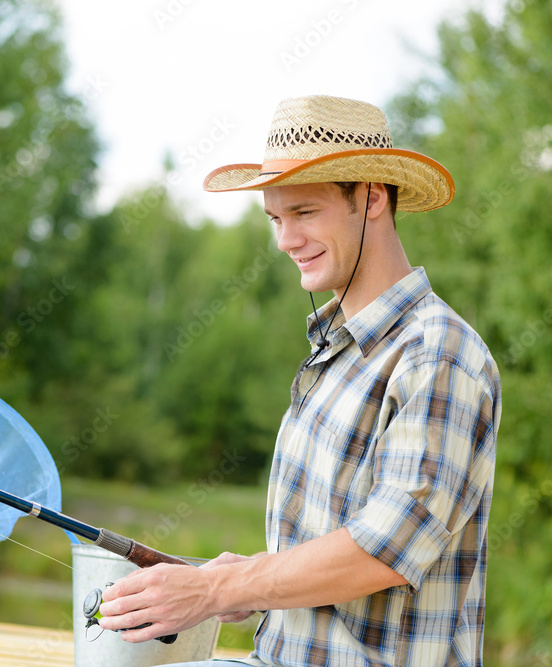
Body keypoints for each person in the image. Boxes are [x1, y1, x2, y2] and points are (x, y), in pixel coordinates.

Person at [96, 95, 502, 666]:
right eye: (275, 218)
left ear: (372, 198)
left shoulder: (440, 354)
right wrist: (244, 577)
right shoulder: (334, 350)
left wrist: (216, 591)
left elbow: (382, 551)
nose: (285, 240)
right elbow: (330, 546)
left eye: (305, 213)